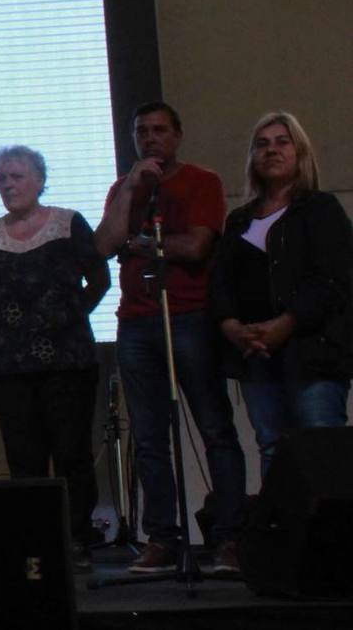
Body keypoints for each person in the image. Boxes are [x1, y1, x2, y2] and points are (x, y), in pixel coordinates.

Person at [95, 101, 245, 576]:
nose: (150, 139)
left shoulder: (202, 181)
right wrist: (131, 192)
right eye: (142, 131)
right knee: (150, 437)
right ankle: (161, 537)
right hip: (135, 321)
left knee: (214, 430)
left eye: (159, 130)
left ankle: (231, 538)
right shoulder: (125, 187)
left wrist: (138, 244)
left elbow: (197, 245)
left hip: (189, 317)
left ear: (177, 135)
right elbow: (103, 245)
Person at [0, 147, 109, 570]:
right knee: (23, 458)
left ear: (39, 179)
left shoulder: (68, 224)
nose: (8, 185)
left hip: (67, 362)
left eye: (16, 176)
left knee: (71, 451)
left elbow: (99, 279)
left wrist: (67, 319)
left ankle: (78, 539)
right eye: (1, 179)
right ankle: (36, 543)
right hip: (8, 366)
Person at [210, 112, 352, 479]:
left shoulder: (321, 210)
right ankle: (283, 535)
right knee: (272, 446)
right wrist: (232, 328)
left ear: (299, 152)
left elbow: (333, 280)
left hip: (314, 354)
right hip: (256, 357)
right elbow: (221, 281)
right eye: (262, 144)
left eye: (281, 142)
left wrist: (286, 323)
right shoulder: (239, 220)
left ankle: (330, 536)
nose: (271, 150)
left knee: (322, 444)